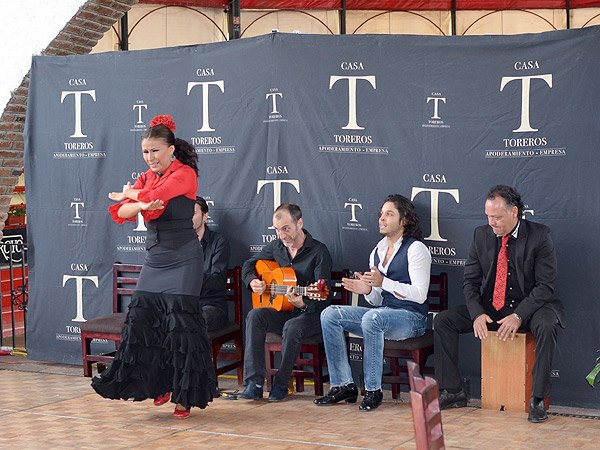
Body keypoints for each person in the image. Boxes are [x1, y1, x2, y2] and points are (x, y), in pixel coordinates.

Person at [92, 114, 217, 419]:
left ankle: (184, 396)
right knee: (144, 321)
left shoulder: (185, 174)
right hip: (156, 258)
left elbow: (155, 197)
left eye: (155, 151)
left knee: (181, 328)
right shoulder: (146, 177)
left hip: (184, 258)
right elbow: (120, 212)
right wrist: (137, 202)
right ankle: (159, 383)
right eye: (145, 152)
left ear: (171, 150)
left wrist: (130, 195)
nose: (150, 157)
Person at [434, 185, 565, 423]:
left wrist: (518, 316)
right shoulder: (481, 235)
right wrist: (477, 314)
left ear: (514, 212)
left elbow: (545, 286)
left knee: (547, 325)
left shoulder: (539, 235)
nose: (491, 222)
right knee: (444, 320)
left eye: (496, 217)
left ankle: (537, 399)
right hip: (493, 307)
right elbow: (470, 281)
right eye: (488, 216)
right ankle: (453, 391)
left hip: (531, 308)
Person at [315, 194, 431, 411]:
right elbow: (376, 299)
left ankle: (372, 390)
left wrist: (383, 282)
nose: (382, 218)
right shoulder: (377, 250)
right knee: (330, 314)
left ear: (404, 220)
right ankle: (343, 385)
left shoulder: (416, 249)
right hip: (383, 314)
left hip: (412, 318)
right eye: (381, 214)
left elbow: (420, 294)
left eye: (389, 214)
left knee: (372, 318)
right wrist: (367, 290)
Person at [238, 203, 333, 402]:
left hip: (310, 314)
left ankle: (280, 384)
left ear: (300, 223)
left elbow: (325, 297)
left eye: (286, 228)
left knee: (293, 325)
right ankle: (254, 384)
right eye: (277, 230)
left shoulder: (319, 252)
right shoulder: (276, 247)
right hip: (283, 310)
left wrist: (303, 303)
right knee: (255, 315)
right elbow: (248, 264)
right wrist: (252, 281)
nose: (282, 235)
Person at [193, 196, 231, 331]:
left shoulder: (219, 242)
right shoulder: (178, 244)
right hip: (185, 303)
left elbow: (218, 281)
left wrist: (189, 276)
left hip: (212, 305)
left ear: (205, 216)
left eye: (193, 213)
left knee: (195, 320)